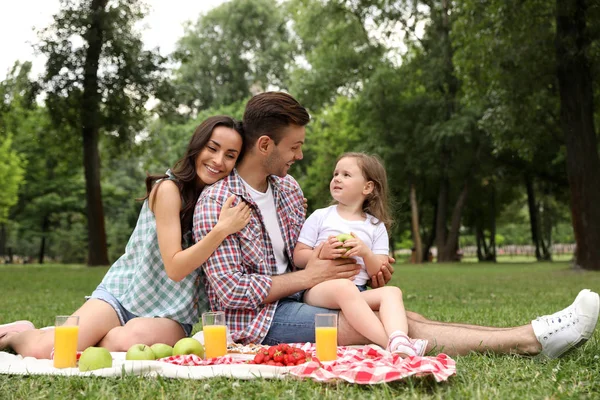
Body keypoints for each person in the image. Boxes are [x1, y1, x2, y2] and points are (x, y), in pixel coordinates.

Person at [193, 91, 600, 359]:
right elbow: (230, 293)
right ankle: (532, 339)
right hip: (256, 322)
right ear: (265, 145)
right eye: (294, 147)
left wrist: (362, 263)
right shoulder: (218, 201)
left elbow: (307, 255)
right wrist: (312, 273)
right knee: (375, 325)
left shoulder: (289, 191)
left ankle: (531, 336)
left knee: (400, 315)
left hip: (305, 297)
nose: (299, 156)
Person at [0, 115, 251, 359]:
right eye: (212, 148)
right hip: (124, 294)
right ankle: (17, 334)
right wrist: (221, 230)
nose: (219, 161)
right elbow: (175, 267)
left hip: (171, 314)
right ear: (197, 147)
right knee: (48, 352)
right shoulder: (168, 189)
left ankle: (73, 335)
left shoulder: (221, 203)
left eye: (230, 155)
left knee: (125, 342)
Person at [293, 152, 425, 357]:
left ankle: (399, 337)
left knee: (392, 292)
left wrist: (365, 252)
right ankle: (389, 344)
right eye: (335, 174)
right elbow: (298, 255)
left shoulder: (375, 226)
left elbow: (378, 270)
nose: (337, 178)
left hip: (359, 290)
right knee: (345, 287)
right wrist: (321, 253)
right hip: (319, 289)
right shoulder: (321, 216)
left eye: (346, 175)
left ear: (367, 187)